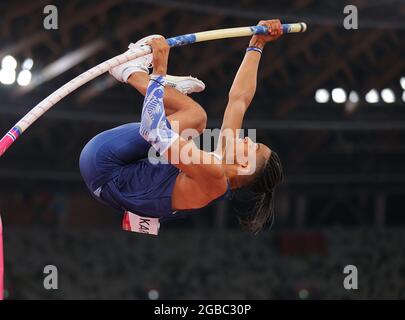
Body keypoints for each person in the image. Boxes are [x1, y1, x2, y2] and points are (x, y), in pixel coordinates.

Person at [79, 19, 284, 234]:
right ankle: (166, 92)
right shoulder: (222, 166)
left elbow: (153, 131)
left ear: (244, 166)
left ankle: (130, 72)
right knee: (196, 121)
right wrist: (257, 44)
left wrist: (159, 70)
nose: (247, 139)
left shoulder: (213, 176)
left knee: (193, 116)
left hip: (103, 164)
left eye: (252, 146)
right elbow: (239, 100)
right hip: (116, 177)